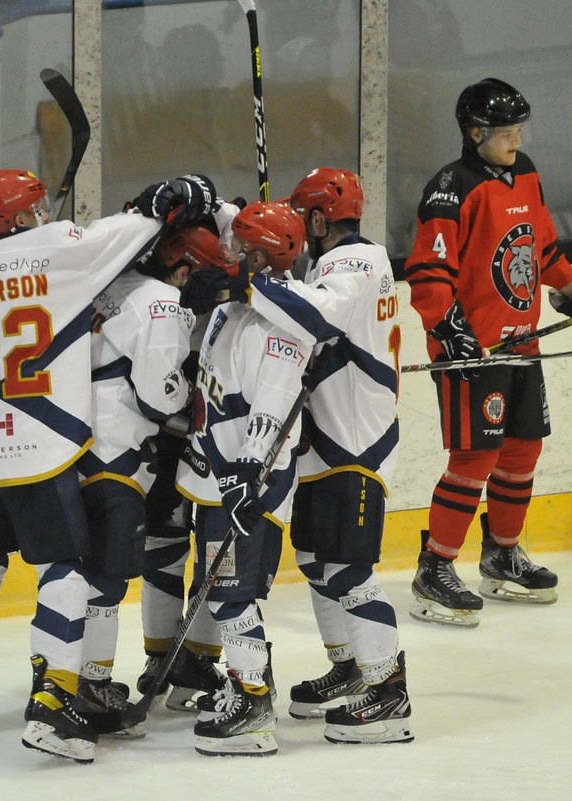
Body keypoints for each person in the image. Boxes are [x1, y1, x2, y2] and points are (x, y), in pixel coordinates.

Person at [0, 169, 219, 764]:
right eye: (33, 207)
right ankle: (56, 704)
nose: (42, 213)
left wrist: (9, 356)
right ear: (22, 216)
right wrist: (174, 192)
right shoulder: (59, 250)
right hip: (41, 440)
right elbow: (140, 222)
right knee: (66, 566)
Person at [186, 169, 411, 744]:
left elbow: (314, 317)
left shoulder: (355, 263)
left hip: (352, 442)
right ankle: (350, 667)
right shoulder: (333, 262)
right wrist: (227, 216)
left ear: (316, 220)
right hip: (324, 440)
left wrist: (245, 281)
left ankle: (388, 690)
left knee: (345, 567)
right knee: (315, 561)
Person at [402, 77, 572, 628]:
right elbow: (429, 274)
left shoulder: (524, 173)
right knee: (474, 459)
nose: (515, 138)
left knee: (523, 449)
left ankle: (502, 555)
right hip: (472, 351)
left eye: (518, 129)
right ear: (476, 132)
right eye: (506, 131)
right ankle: (435, 567)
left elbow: (540, 250)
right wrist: (449, 328)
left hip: (522, 341)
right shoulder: (450, 189)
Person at [74, 223, 235, 735]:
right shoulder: (164, 304)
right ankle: (107, 677)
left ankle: (166, 660)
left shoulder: (110, 280)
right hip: (140, 440)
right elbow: (159, 397)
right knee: (146, 556)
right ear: (183, 266)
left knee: (155, 548)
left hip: (85, 442)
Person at [175, 200, 309, 757]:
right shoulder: (241, 303)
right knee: (230, 588)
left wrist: (247, 470)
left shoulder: (283, 324)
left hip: (245, 475)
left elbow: (273, 404)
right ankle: (247, 682)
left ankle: (252, 706)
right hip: (221, 469)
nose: (226, 253)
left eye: (239, 247)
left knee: (230, 592)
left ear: (257, 255)